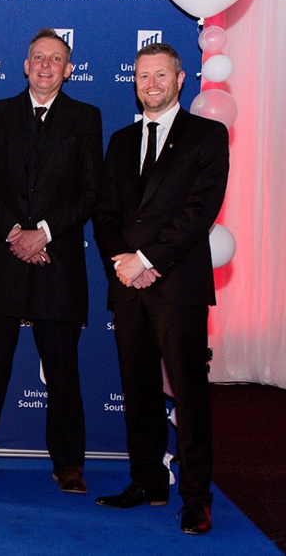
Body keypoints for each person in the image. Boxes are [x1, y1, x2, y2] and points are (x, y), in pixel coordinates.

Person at [0, 28, 102, 494]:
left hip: (58, 264)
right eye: (38, 57)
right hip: (3, 261)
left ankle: (69, 464)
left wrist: (44, 233)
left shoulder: (85, 118)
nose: (46, 66)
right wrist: (16, 233)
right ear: (25, 64)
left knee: (63, 375)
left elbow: (90, 191)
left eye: (56, 59)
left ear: (68, 69)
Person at [92, 42, 229, 535]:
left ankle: (196, 499)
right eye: (142, 76)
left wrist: (147, 260)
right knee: (139, 391)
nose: (150, 84)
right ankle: (147, 481)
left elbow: (201, 211)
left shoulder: (207, 135)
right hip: (129, 287)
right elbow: (104, 213)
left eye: (160, 75)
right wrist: (126, 264)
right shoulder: (120, 142)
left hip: (178, 286)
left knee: (189, 397)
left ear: (180, 78)